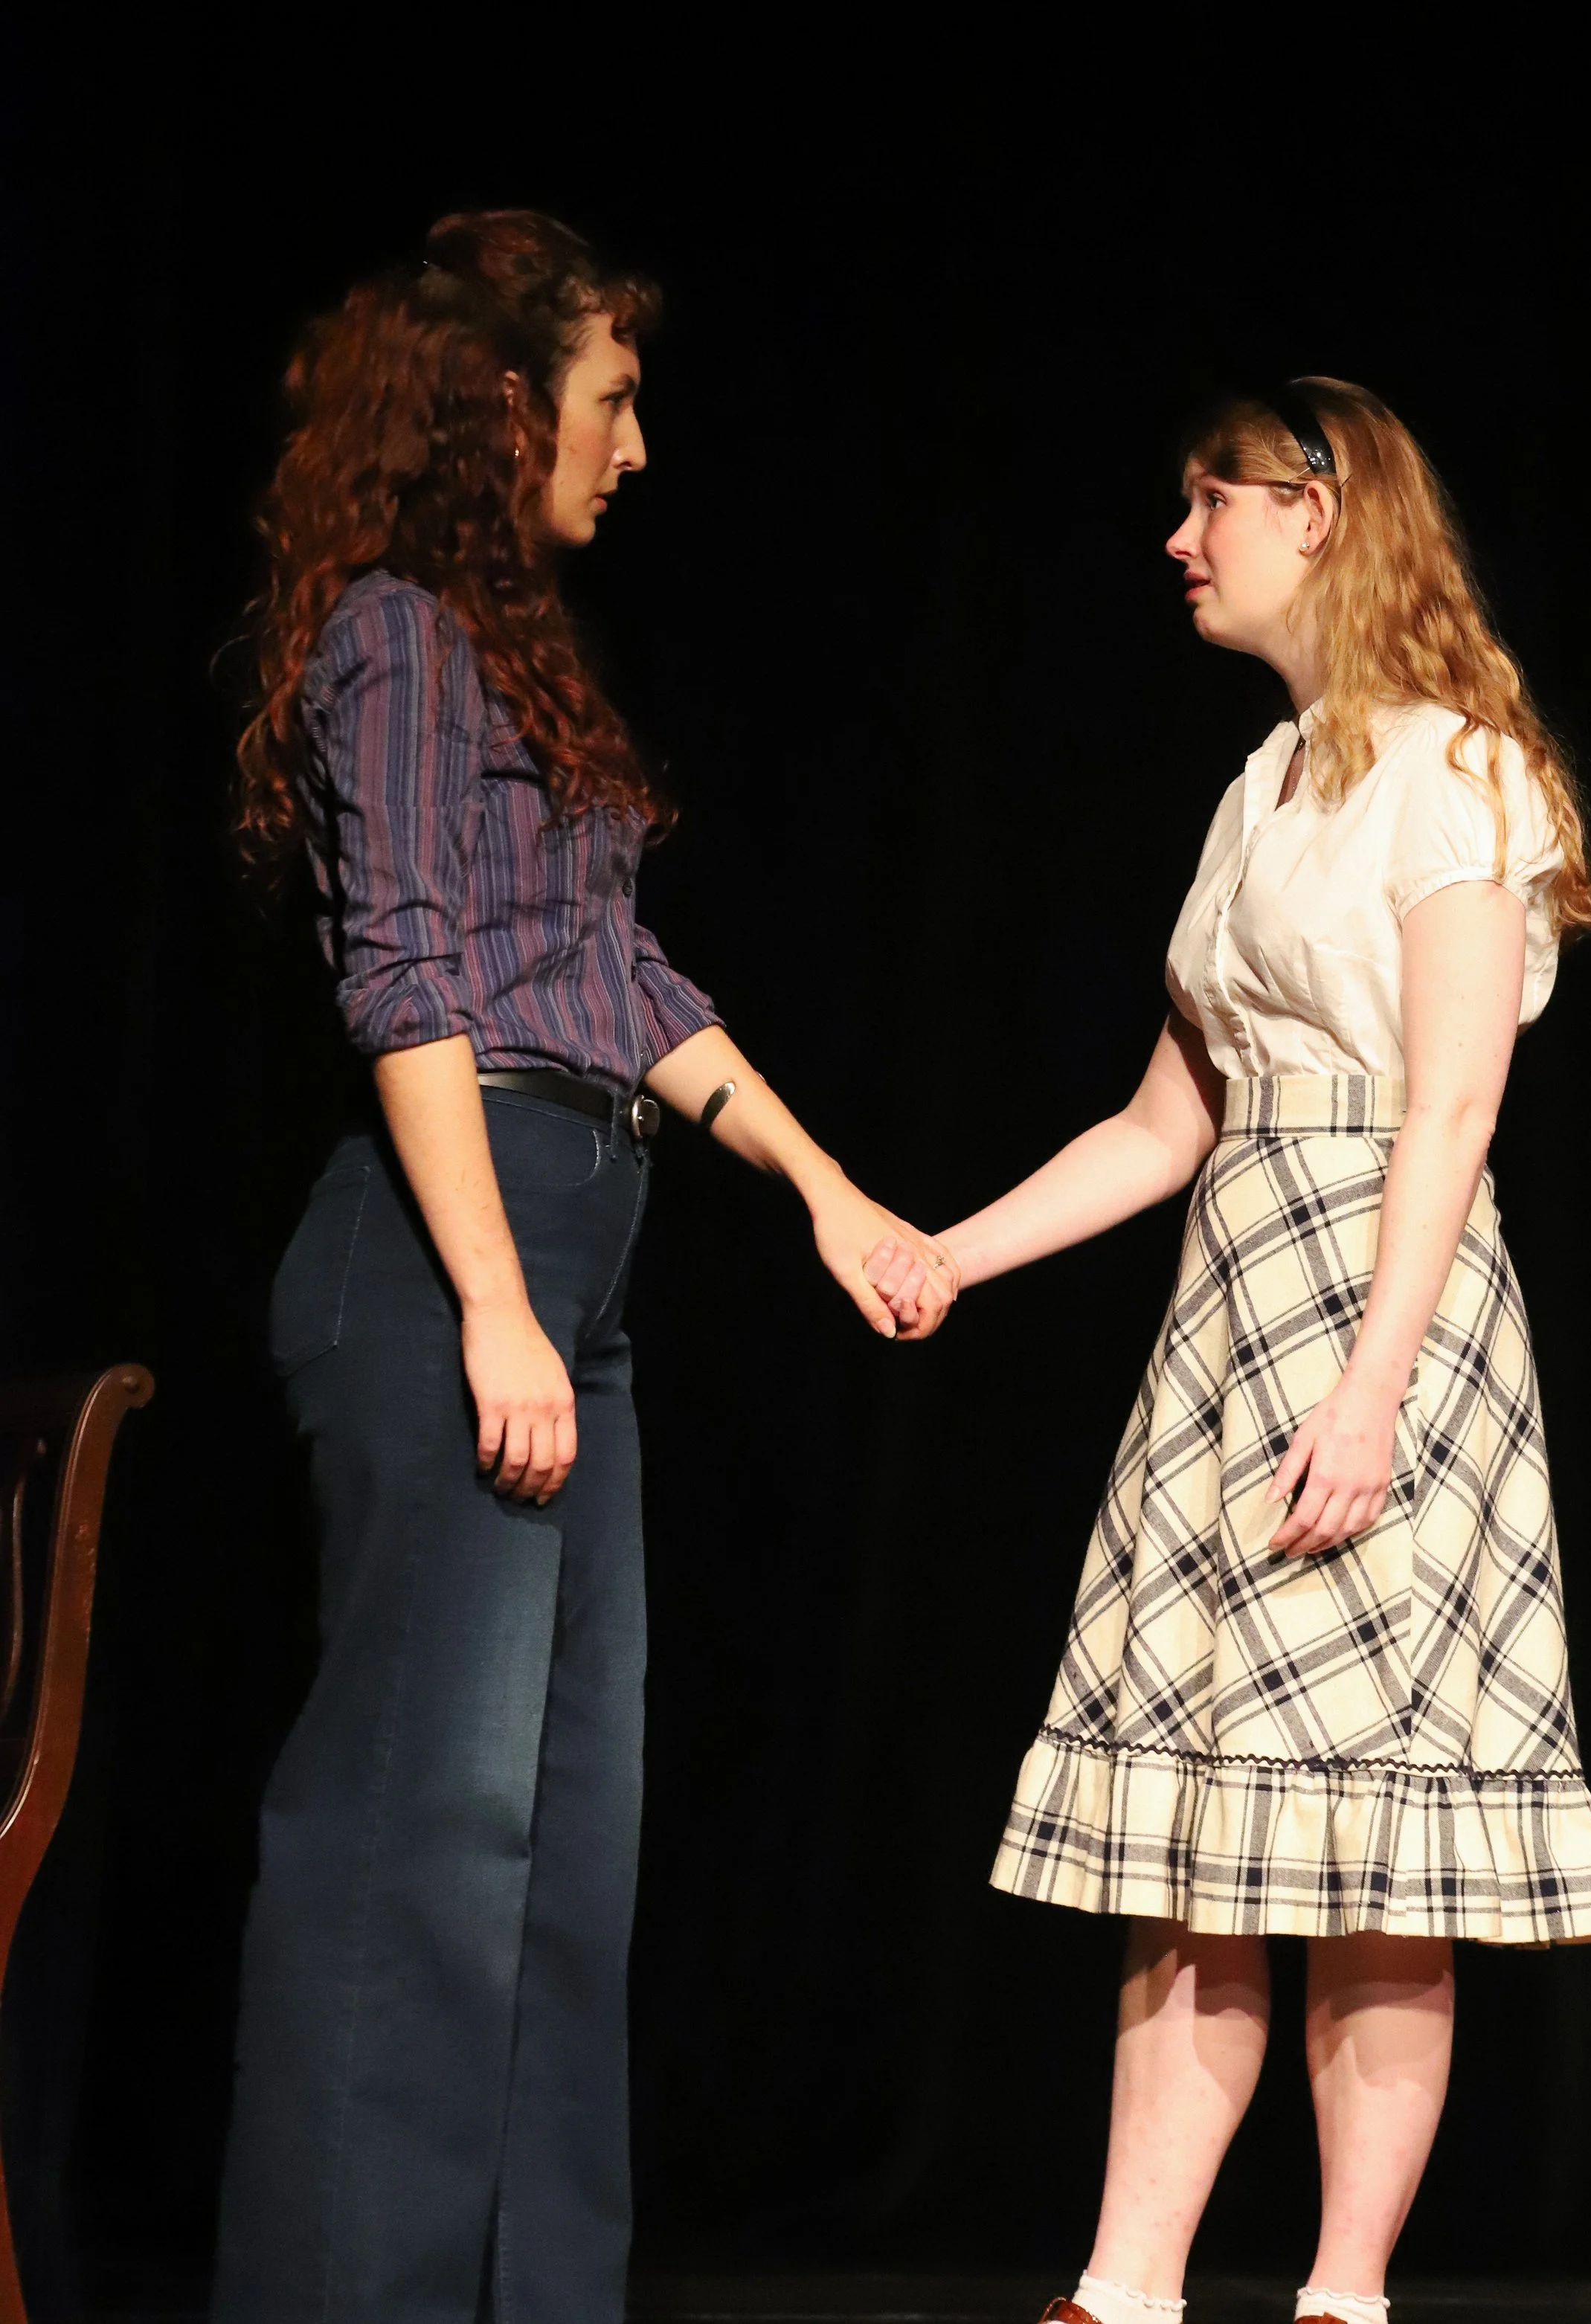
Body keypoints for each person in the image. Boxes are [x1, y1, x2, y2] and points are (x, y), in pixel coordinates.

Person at [216, 208, 954, 2324]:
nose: (640, 447)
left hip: (575, 1260)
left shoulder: (507, 647)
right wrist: (485, 1301)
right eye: (615, 400)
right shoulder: (391, 635)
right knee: (420, 1831)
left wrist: (822, 1187)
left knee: (563, 1847)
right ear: (510, 402)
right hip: (454, 1250)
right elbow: (413, 980)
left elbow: (614, 975)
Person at [867, 379, 1591, 2324]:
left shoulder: (1457, 766)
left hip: (1384, 1305)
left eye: (1208, 500)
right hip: (1230, 1314)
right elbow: (1160, 1123)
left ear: (1318, 506)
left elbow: (1449, 1107)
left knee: (1370, 1845)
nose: (1180, 539)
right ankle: (1124, 2286)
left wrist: (1371, 1389)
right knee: (1198, 1831)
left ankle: (1340, 2293)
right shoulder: (1261, 787)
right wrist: (952, 1249)